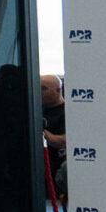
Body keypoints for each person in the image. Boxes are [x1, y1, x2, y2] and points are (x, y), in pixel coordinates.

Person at [40, 72, 68, 203]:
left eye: (44, 89)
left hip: (57, 168)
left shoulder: (69, 111)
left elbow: (64, 141)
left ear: (58, 90)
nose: (39, 92)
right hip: (40, 168)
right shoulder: (36, 109)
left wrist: (42, 133)